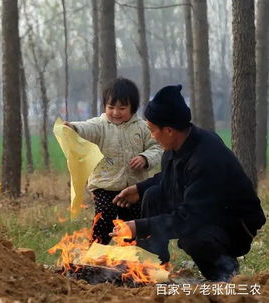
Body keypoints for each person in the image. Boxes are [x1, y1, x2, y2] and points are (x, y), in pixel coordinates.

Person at [110, 84, 266, 282]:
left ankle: (225, 274)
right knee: (152, 195)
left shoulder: (206, 157)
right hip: (204, 211)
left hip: (234, 224)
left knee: (192, 237)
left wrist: (138, 227)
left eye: (152, 130)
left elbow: (189, 218)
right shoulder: (175, 147)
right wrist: (139, 189)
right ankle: (152, 266)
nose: (151, 136)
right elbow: (169, 180)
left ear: (168, 130)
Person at [64, 78, 163, 244]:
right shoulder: (101, 125)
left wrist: (145, 158)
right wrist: (73, 128)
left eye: (122, 108)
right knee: (104, 220)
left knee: (131, 225)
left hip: (133, 188)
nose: (115, 112)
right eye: (111, 107)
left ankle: (130, 259)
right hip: (104, 186)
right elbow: (86, 127)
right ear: (104, 106)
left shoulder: (142, 127)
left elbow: (157, 148)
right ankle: (95, 254)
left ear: (133, 107)